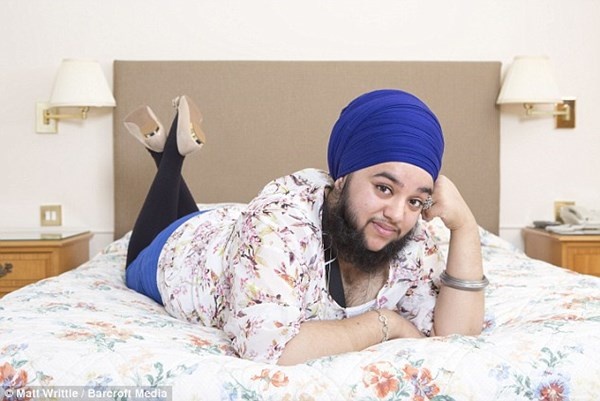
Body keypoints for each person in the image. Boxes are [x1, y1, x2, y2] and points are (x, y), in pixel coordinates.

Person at [123, 90, 486, 366]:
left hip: (232, 233)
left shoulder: (412, 237)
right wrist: (384, 323)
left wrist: (465, 227)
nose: (397, 214)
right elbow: (268, 348)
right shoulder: (278, 223)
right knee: (137, 254)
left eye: (415, 201)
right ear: (341, 178)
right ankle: (170, 155)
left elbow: (455, 339)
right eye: (383, 188)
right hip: (183, 252)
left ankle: (164, 150)